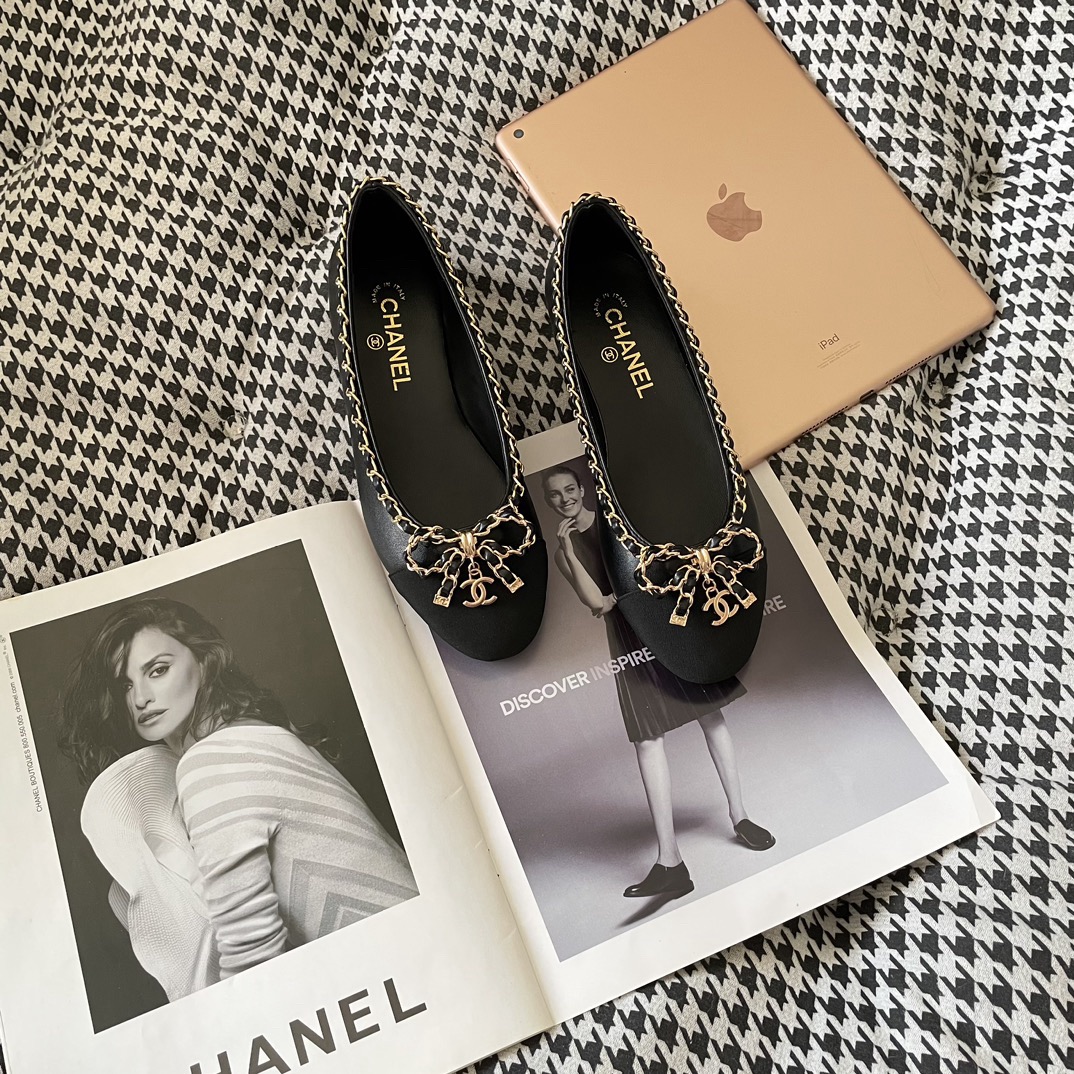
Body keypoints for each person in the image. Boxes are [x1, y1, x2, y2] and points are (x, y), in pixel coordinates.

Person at [60, 597, 417, 989]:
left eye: (158, 670)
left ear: (203, 661)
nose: (141, 698)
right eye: (125, 685)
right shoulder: (257, 736)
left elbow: (252, 960)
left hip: (401, 969)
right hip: (415, 953)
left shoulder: (211, 763)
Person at [542, 464, 775, 899]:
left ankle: (740, 816)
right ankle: (670, 861)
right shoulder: (563, 553)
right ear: (548, 500)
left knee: (711, 715)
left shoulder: (616, 523)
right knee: (648, 741)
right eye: (554, 495)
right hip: (627, 639)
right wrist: (569, 550)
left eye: (569, 489)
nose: (564, 499)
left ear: (582, 488)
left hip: (663, 625)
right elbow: (600, 603)